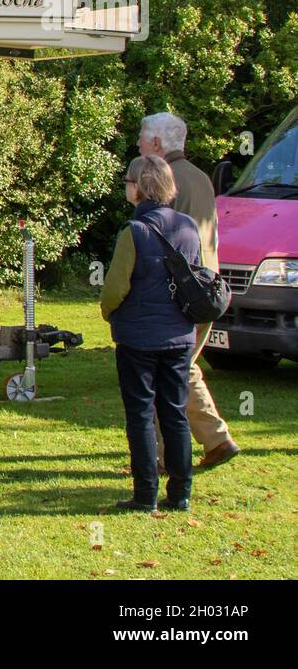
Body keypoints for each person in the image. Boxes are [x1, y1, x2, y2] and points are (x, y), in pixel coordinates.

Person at [138, 112, 241, 470]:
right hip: (207, 290)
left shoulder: (166, 181)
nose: (138, 144)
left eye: (141, 138)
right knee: (182, 367)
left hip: (178, 295)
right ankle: (216, 439)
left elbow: (156, 239)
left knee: (160, 373)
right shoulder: (200, 177)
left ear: (155, 144)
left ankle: (162, 458)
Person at [100, 155, 201, 512]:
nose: (126, 186)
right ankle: (181, 493)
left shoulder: (135, 232)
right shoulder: (188, 226)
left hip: (139, 337)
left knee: (141, 414)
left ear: (140, 186)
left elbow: (115, 288)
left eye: (128, 181)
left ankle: (145, 495)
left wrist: (108, 312)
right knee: (174, 413)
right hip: (178, 335)